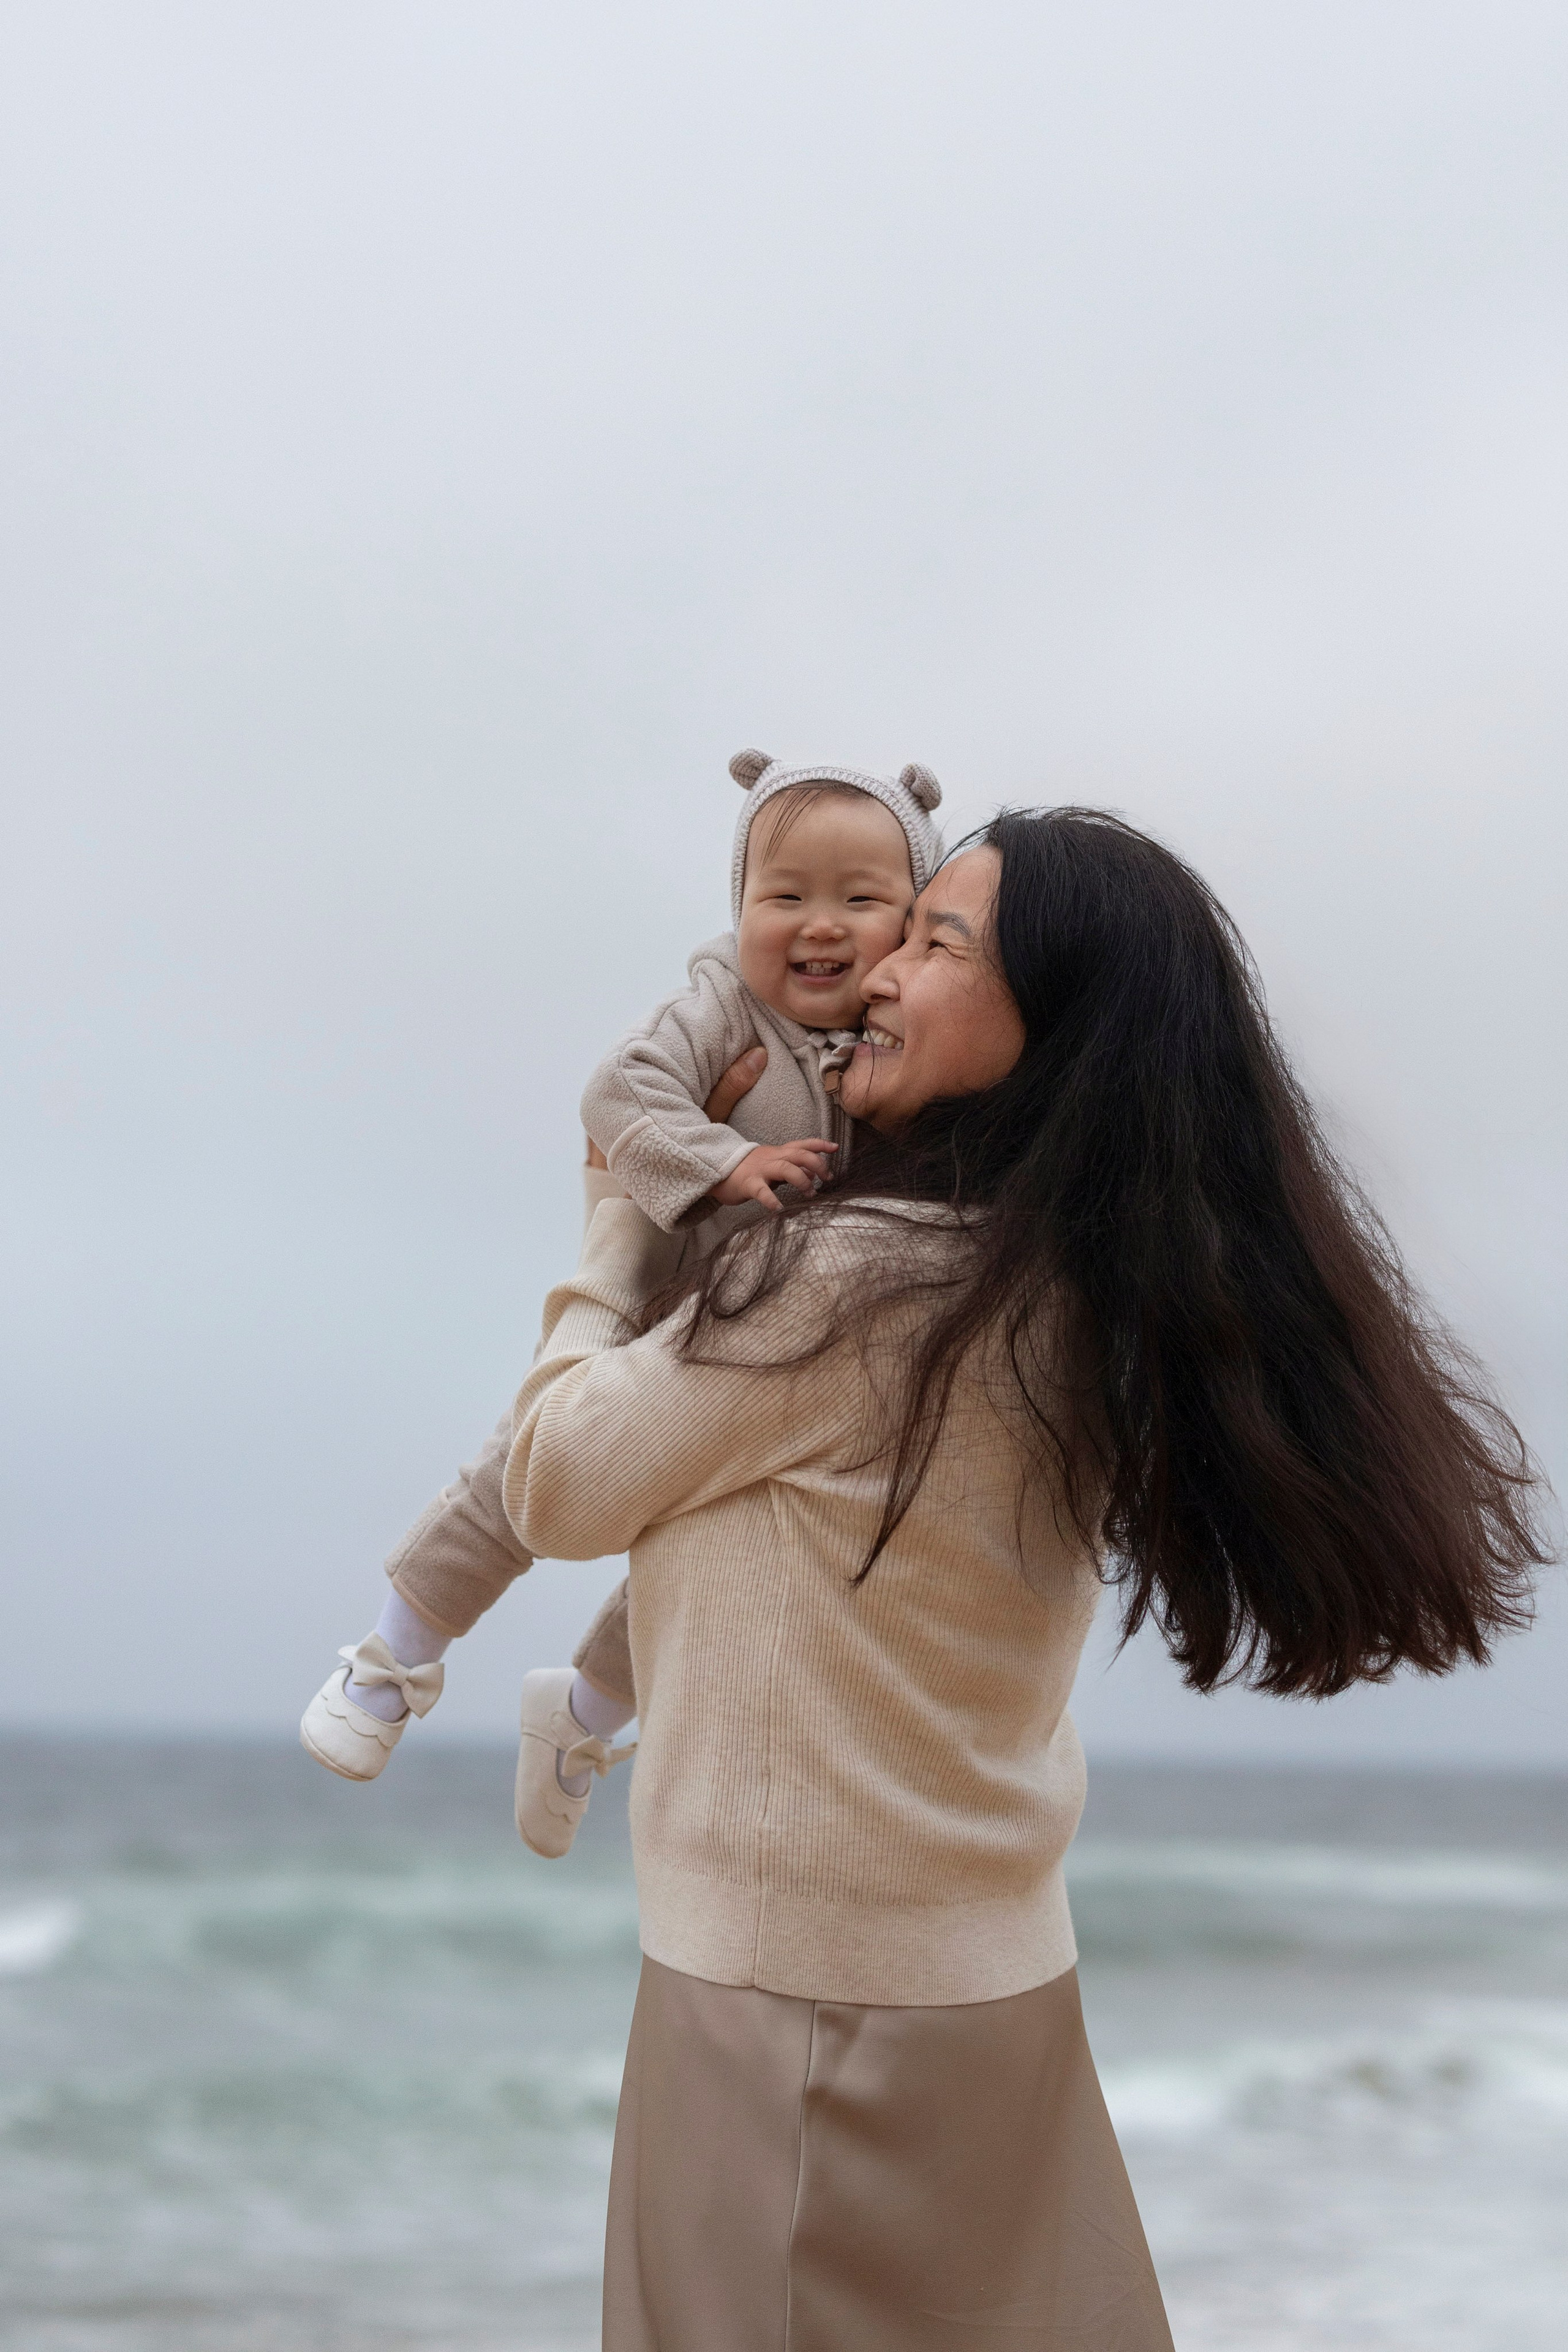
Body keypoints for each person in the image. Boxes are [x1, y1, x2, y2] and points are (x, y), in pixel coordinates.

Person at [347, 807, 1548, 2348]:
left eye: (935, 942)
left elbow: (553, 1476)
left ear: (1047, 1026)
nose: (874, 972)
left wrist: (617, 1219)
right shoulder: (1076, 1286)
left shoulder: (847, 1282)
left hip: (789, 2016)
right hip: (993, 1995)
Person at [300, 748, 943, 1834]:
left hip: (778, 1346)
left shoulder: (899, 1038)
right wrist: (724, 1161)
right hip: (667, 1292)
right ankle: (390, 1658)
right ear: (739, 906)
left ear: (914, 922)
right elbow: (617, 1089)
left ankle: (584, 1717)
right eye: (784, 896)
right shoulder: (723, 1004)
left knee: (721, 1540)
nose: (820, 926)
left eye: (861, 900)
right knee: (515, 1481)